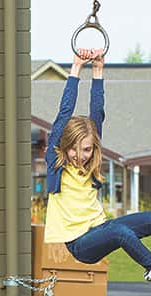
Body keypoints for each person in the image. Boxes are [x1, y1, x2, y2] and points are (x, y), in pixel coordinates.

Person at [44, 49, 151, 281]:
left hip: (101, 229)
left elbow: (97, 112)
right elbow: (64, 113)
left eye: (87, 149)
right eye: (74, 148)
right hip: (80, 244)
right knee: (120, 232)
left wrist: (98, 69)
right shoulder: (56, 162)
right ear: (64, 145)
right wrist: (76, 68)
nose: (80, 155)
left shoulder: (91, 159)